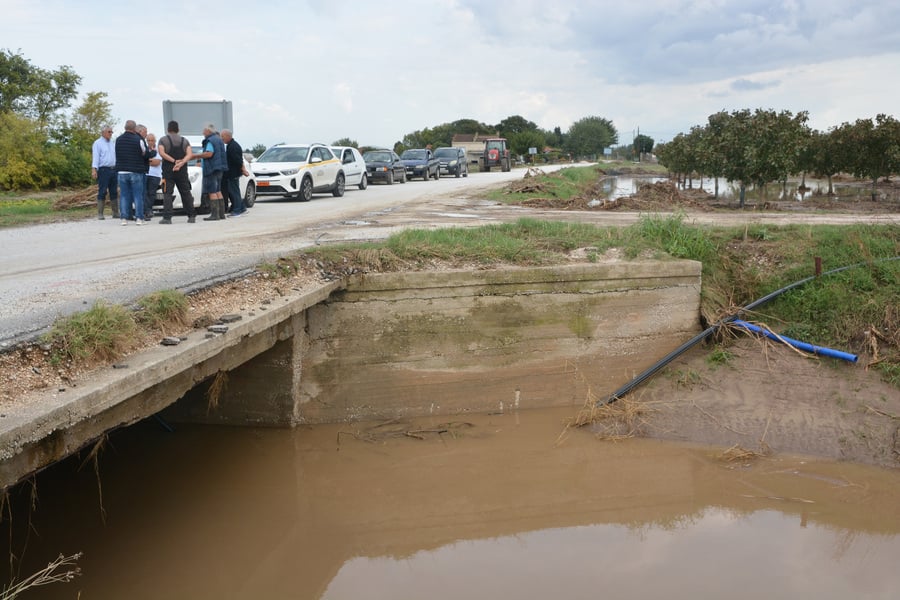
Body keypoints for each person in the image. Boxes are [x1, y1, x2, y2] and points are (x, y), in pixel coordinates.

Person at [156, 120, 196, 224]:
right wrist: (181, 162)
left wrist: (174, 161)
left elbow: (162, 153)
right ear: (178, 129)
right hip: (182, 171)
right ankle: (191, 216)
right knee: (186, 192)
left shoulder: (163, 140)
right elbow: (189, 154)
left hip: (168, 171)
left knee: (167, 193)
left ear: (168, 129)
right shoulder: (185, 141)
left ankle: (167, 217)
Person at [114, 120, 152, 226]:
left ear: (125, 128)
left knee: (124, 195)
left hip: (122, 171)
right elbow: (144, 153)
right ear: (134, 129)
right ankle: (139, 218)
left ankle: (124, 218)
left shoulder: (118, 140)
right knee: (137, 195)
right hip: (135, 170)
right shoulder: (138, 139)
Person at [195, 123, 228, 221]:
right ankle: (221, 214)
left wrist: (196, 156)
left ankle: (215, 215)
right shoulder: (219, 139)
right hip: (220, 168)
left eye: (204, 131)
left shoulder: (210, 140)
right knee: (218, 190)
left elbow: (209, 154)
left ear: (208, 131)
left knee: (212, 191)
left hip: (211, 168)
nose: (203, 133)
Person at [91, 125, 118, 219]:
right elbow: (96, 157)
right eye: (109, 132)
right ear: (103, 132)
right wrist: (94, 169)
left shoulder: (112, 143)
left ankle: (115, 212)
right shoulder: (97, 143)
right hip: (103, 170)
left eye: (111, 132)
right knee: (102, 191)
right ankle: (100, 213)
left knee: (114, 191)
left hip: (113, 169)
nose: (111, 134)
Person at [221, 129, 249, 217]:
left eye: (223, 136)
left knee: (234, 192)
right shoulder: (230, 145)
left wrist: (243, 169)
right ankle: (242, 208)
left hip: (233, 173)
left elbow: (238, 161)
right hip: (232, 173)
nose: (222, 138)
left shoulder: (233, 147)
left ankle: (237, 210)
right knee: (235, 191)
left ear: (228, 136)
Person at [144, 132, 162, 221]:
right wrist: (150, 160)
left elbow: (156, 162)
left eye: (152, 140)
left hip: (155, 175)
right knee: (144, 193)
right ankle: (147, 211)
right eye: (148, 140)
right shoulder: (144, 149)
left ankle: (149, 209)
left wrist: (146, 161)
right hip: (145, 174)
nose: (150, 142)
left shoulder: (158, 150)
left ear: (155, 141)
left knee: (151, 193)